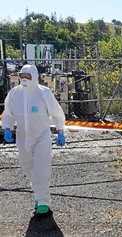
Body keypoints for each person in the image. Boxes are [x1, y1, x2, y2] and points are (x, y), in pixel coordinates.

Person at [2, 64, 65, 216]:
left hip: (42, 136)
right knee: (27, 166)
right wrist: (7, 128)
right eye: (22, 76)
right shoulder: (14, 93)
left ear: (34, 77)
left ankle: (42, 201)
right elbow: (8, 113)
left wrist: (60, 130)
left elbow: (56, 112)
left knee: (41, 169)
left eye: (28, 76)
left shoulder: (44, 93)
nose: (24, 79)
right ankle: (38, 191)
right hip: (23, 136)